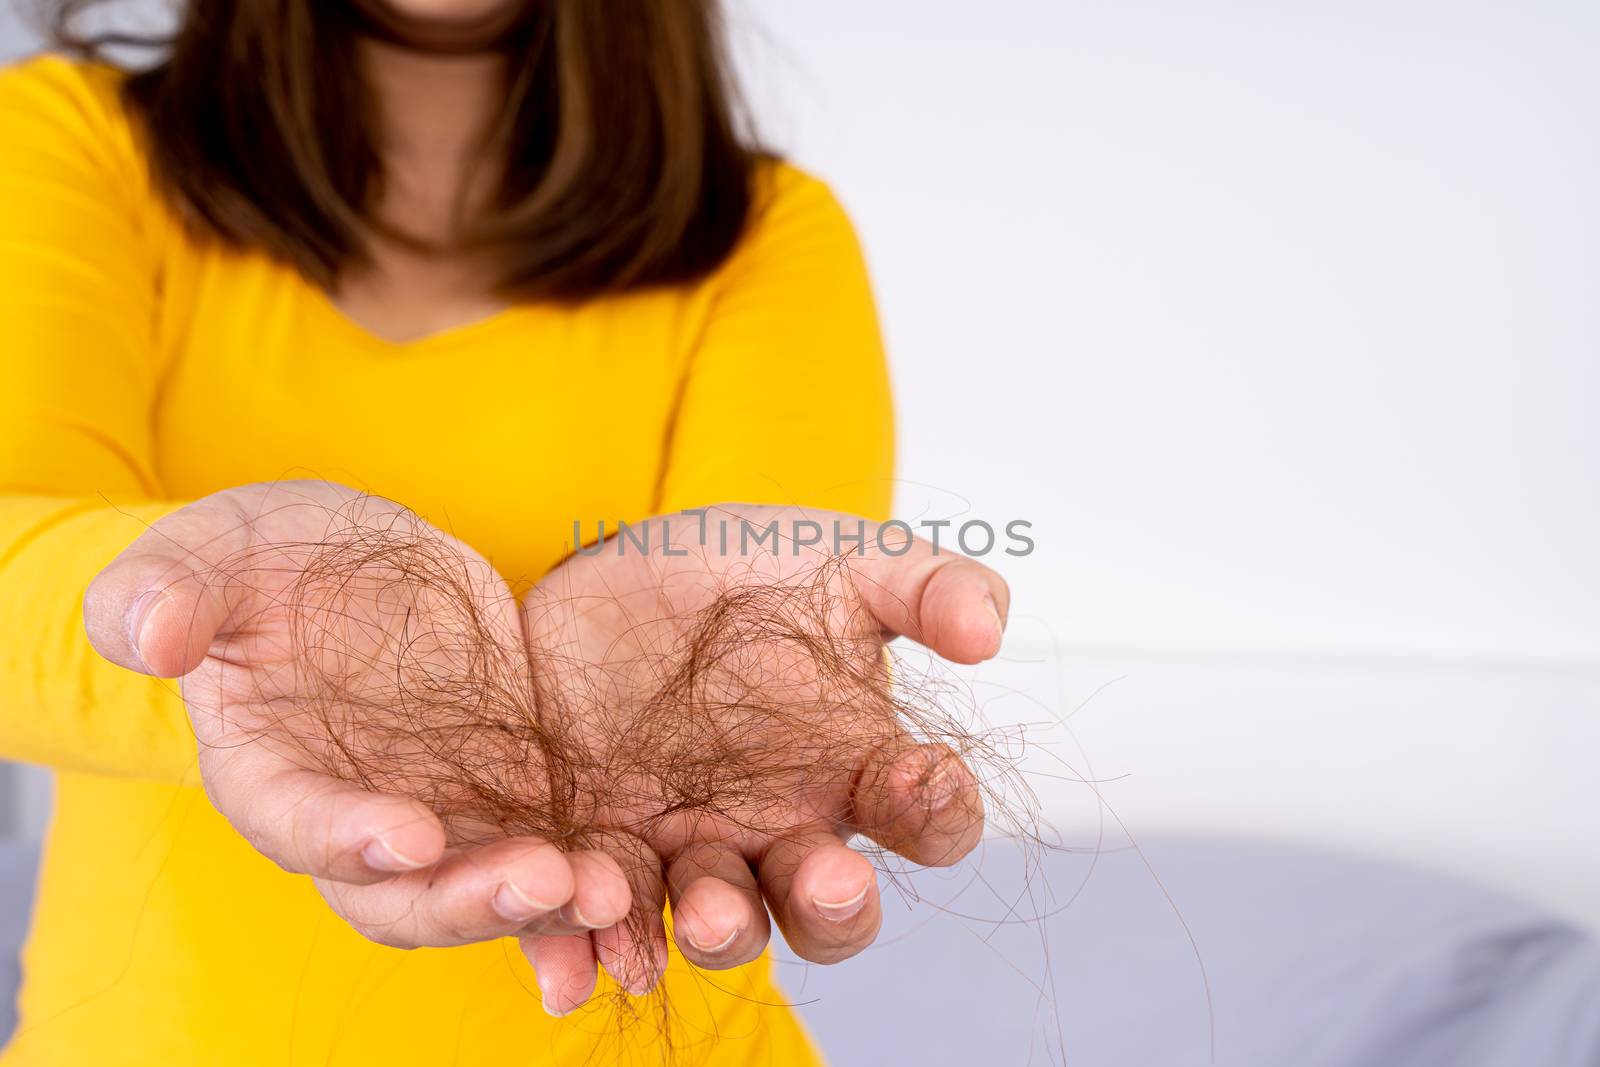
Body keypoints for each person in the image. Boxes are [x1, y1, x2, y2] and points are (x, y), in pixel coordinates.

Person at [0, 1, 1008, 1062]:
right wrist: (222, 629)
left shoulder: (765, 232)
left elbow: (760, 587)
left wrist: (738, 661)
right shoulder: (66, 141)